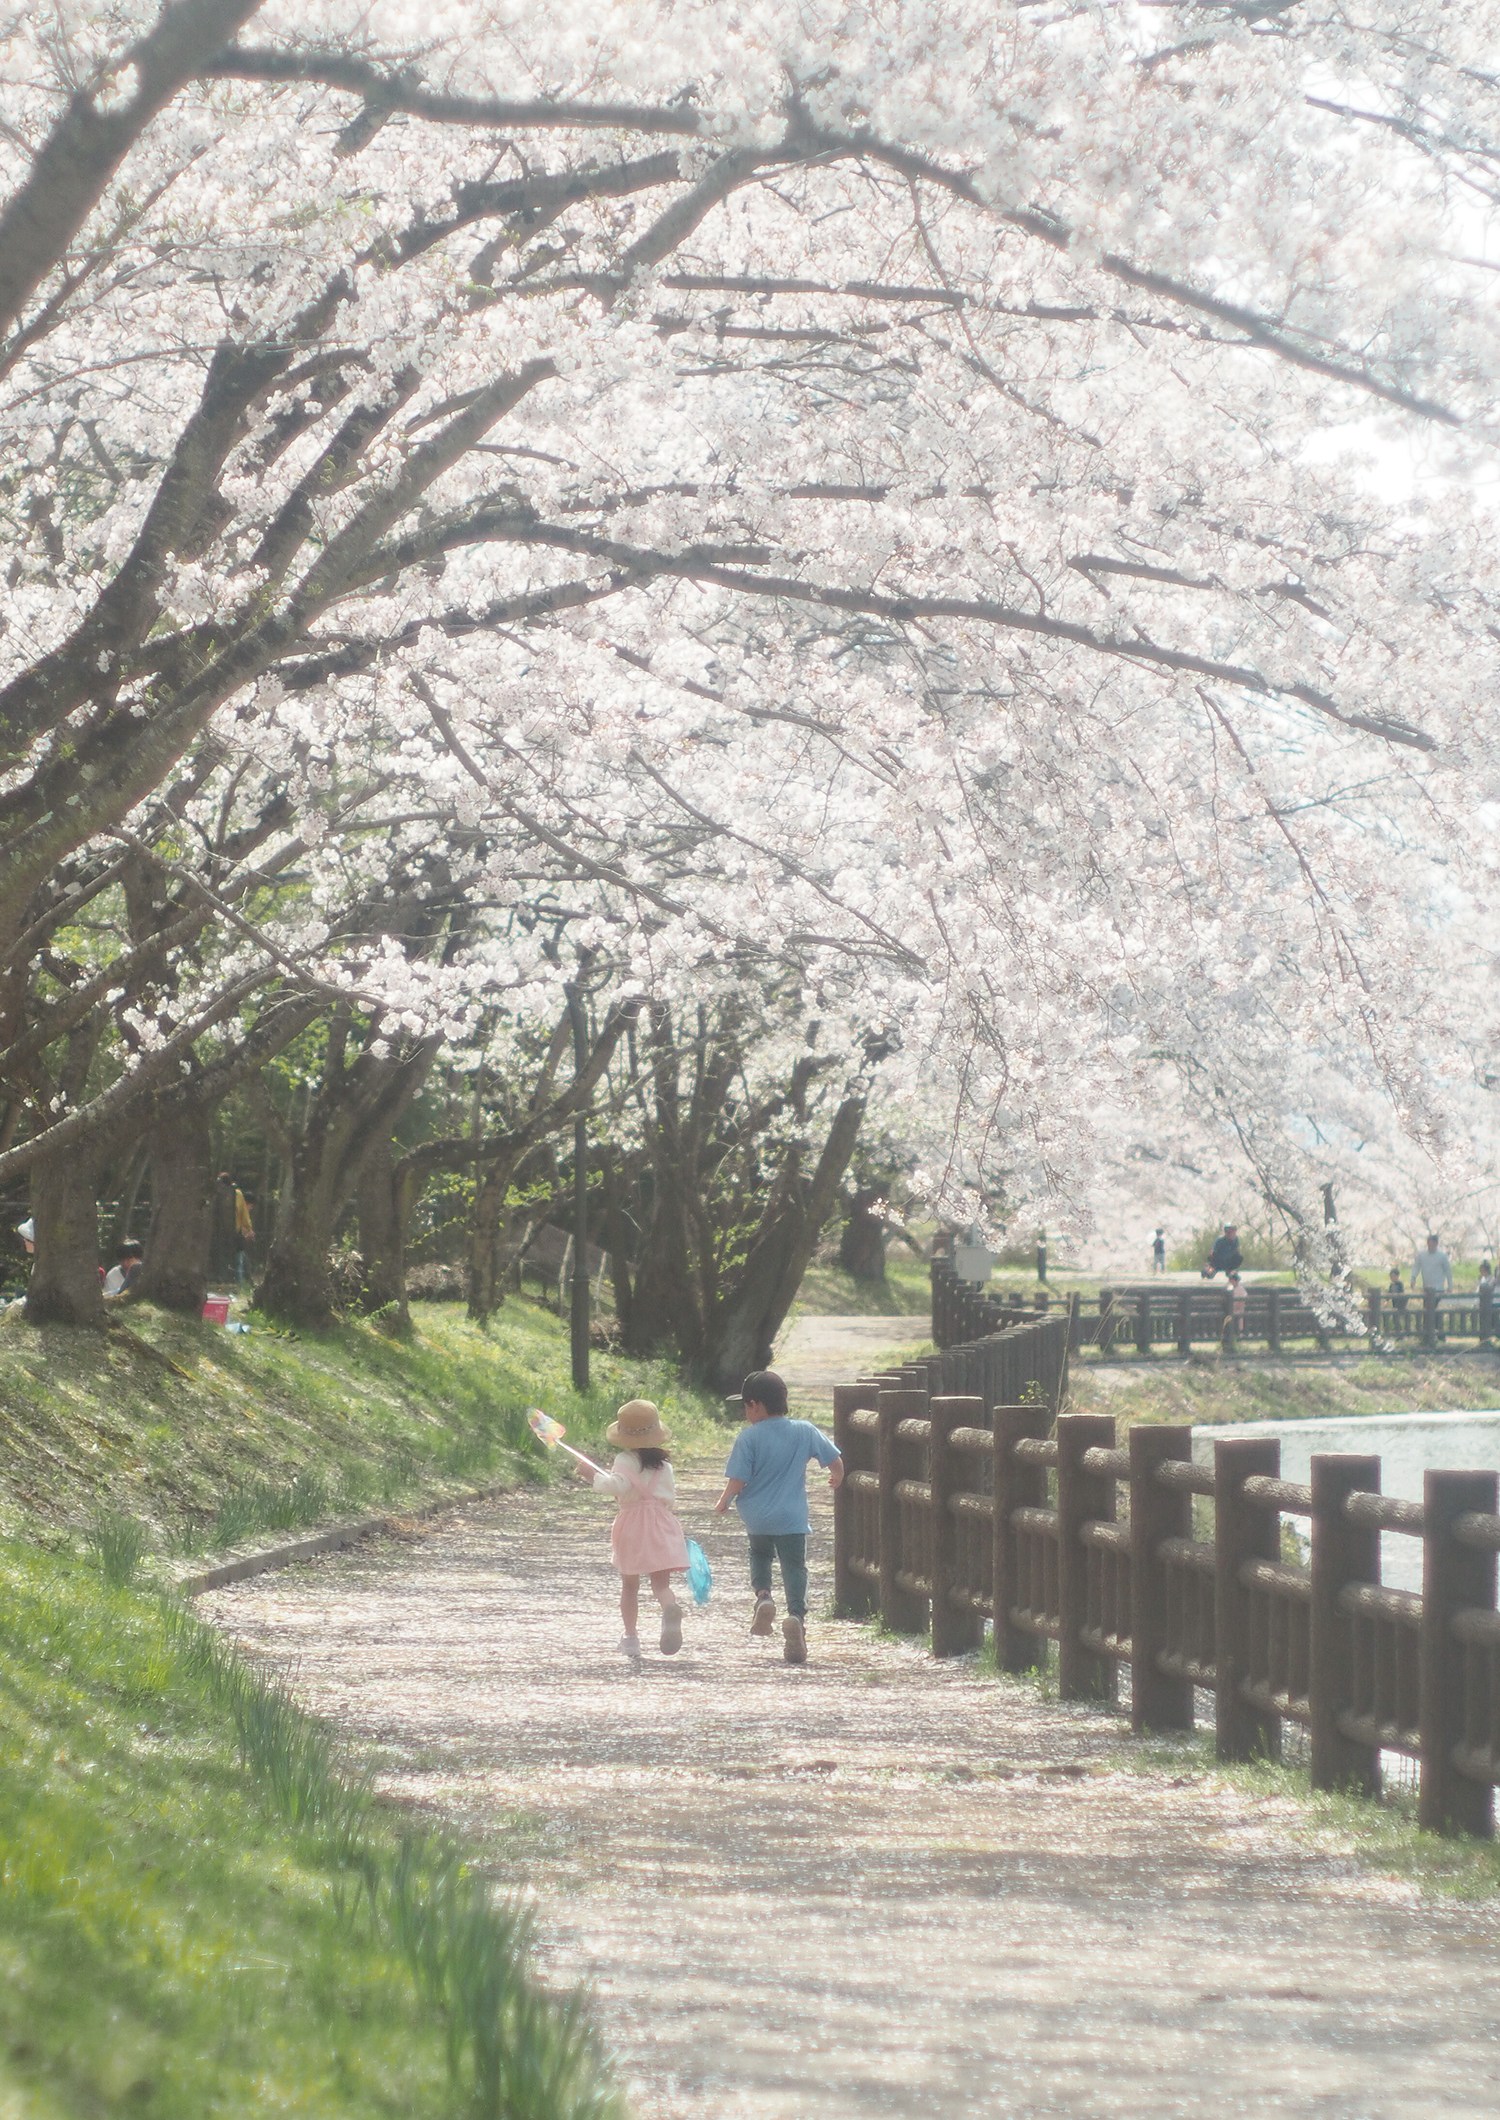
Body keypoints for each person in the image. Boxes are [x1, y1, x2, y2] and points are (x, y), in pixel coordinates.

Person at [714, 1368, 843, 1666]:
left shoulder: (749, 1438)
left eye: (746, 1406)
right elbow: (834, 1460)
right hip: (792, 1517)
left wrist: (724, 1501)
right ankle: (796, 1616)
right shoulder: (805, 1430)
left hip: (757, 1517)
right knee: (795, 1566)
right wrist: (838, 1478)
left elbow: (738, 1479)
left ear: (754, 1405)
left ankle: (764, 1597)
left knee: (759, 1555)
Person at [575, 1398, 688, 1659]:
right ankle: (669, 1606)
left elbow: (617, 1486)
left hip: (633, 1525)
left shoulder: (624, 1459)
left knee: (630, 1585)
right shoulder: (665, 1465)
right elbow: (668, 1496)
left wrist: (592, 1475)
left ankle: (631, 1637)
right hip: (661, 1524)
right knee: (661, 1584)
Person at [1411, 1233, 1452, 1346]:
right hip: (1427, 1289)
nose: (1431, 1246)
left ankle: (1438, 1334)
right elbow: (1416, 1267)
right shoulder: (1421, 1255)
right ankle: (1428, 1334)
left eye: (1433, 1243)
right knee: (1427, 1311)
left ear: (1436, 1244)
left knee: (1435, 1312)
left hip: (1438, 1289)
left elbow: (1448, 1271)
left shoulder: (1441, 1256)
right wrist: (1413, 1278)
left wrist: (1449, 1286)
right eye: (1429, 1243)